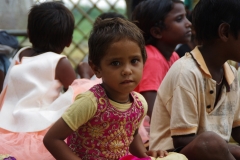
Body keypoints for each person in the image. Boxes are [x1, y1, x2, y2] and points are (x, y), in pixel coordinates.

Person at [44, 17, 187, 160]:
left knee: (178, 158)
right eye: (116, 63)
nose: (127, 70)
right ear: (96, 68)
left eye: (134, 61)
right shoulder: (90, 102)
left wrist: (145, 155)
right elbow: (52, 139)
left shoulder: (139, 103)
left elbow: (133, 135)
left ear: (144, 62)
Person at [150, 0, 240, 159]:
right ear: (225, 32)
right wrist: (230, 150)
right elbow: (182, 140)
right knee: (211, 142)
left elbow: (237, 128)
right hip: (172, 155)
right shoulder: (186, 72)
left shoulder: (232, 74)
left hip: (217, 154)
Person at [0, 1, 76, 159]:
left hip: (7, 123)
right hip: (41, 126)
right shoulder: (59, 62)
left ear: (29, 33)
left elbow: (7, 87)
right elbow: (76, 93)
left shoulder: (21, 53)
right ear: (69, 41)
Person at [131, 0, 192, 145]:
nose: (188, 23)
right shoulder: (152, 58)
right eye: (179, 19)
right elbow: (152, 112)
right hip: (141, 132)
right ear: (157, 32)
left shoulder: (173, 56)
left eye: (186, 16)